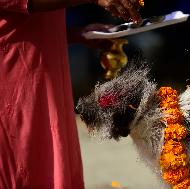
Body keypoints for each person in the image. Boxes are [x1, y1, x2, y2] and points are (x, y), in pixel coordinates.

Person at [0, 0, 141, 188]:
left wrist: (78, 34)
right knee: (23, 163)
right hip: (13, 89)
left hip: (45, 86)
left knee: (51, 162)